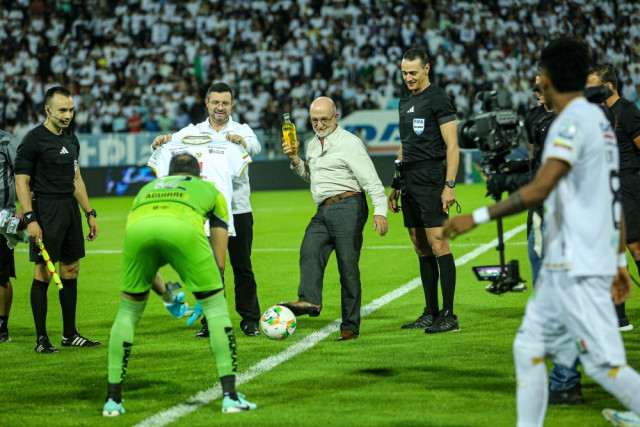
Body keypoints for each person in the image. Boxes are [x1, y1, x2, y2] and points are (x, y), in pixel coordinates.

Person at [442, 38, 640, 427]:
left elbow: (541, 187)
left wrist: (476, 217)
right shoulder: (601, 119)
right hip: (570, 261)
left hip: (575, 264)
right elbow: (609, 195)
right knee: (528, 348)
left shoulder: (572, 121)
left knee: (603, 365)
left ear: (547, 79)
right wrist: (619, 261)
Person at [102, 153, 256, 417]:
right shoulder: (209, 189)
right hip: (184, 231)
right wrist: (208, 295)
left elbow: (146, 267)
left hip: (138, 232)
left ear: (168, 174)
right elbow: (219, 259)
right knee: (217, 310)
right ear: (198, 174)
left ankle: (112, 401)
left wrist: (167, 296)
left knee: (127, 313)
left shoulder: (146, 190)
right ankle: (230, 397)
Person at [150, 82, 262, 338]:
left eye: (225, 103)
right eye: (216, 102)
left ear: (232, 105)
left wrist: (241, 141)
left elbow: (255, 148)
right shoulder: (192, 131)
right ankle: (211, 320)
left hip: (239, 210)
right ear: (207, 103)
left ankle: (250, 319)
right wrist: (160, 142)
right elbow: (167, 146)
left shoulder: (241, 129)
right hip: (206, 213)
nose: (220, 107)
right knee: (211, 268)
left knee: (242, 266)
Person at [280, 96, 388, 342]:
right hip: (323, 208)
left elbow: (371, 180)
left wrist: (380, 210)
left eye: (324, 119)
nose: (319, 124)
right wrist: (295, 159)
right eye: (315, 120)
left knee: (347, 268)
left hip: (349, 205)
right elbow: (313, 177)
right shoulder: (311, 144)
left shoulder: (350, 143)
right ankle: (310, 300)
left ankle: (350, 327)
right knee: (310, 248)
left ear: (336, 118)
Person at [14, 86, 100, 353]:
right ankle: (41, 339)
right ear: (48, 109)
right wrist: (30, 219)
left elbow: (76, 179)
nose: (68, 115)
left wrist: (89, 213)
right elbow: (21, 181)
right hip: (46, 211)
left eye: (71, 110)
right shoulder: (33, 140)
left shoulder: (71, 139)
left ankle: (70, 334)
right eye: (62, 110)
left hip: (69, 211)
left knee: (71, 269)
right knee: (44, 273)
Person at [388, 47, 461, 334]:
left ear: (427, 69)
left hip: (432, 178)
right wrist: (395, 183)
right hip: (409, 181)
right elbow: (405, 145)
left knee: (438, 244)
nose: (408, 78)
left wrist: (449, 185)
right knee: (420, 247)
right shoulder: (405, 101)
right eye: (405, 73)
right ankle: (430, 312)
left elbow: (453, 146)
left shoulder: (439, 98)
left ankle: (449, 315)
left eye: (413, 72)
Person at [586, 64, 640, 333]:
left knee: (635, 247)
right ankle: (618, 318)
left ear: (607, 87)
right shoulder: (595, 114)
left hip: (628, 185)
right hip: (603, 188)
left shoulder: (627, 111)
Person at [0, 129, 19, 343]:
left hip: (2, 220)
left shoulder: (6, 141)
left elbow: (23, 174)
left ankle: (2, 327)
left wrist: (25, 211)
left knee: (1, 275)